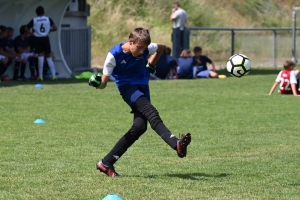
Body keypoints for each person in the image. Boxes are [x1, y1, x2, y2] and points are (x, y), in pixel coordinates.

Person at [88, 27, 191, 177]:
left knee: (140, 127)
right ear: (131, 42)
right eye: (140, 48)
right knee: (151, 112)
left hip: (143, 87)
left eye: (145, 49)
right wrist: (96, 83)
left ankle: (106, 163)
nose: (143, 52)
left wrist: (151, 65)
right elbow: (103, 84)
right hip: (128, 88)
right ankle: (176, 144)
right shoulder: (113, 55)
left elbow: (161, 48)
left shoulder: (145, 47)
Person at [26, 5, 57, 81]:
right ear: (44, 12)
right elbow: (55, 28)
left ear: (36, 13)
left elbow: (26, 28)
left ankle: (40, 76)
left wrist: (31, 33)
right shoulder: (48, 19)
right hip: (45, 38)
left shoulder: (34, 20)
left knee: (40, 56)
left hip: (37, 38)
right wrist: (49, 30)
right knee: (49, 56)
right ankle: (54, 75)